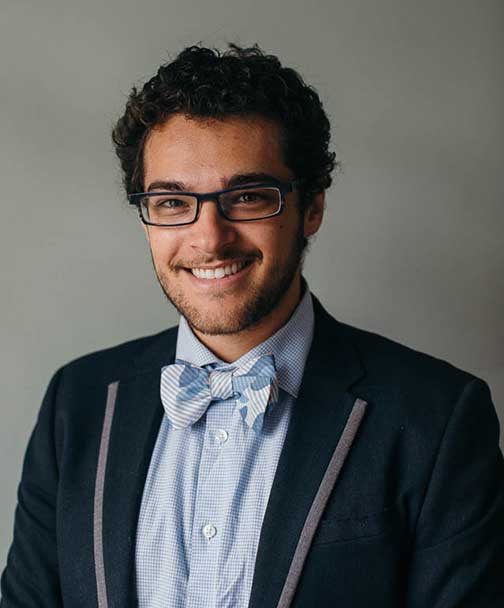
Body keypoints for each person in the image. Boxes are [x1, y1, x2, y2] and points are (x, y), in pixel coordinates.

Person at [1, 44, 503, 608]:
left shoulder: (437, 418)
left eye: (247, 197)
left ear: (311, 206)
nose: (210, 238)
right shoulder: (78, 403)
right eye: (172, 202)